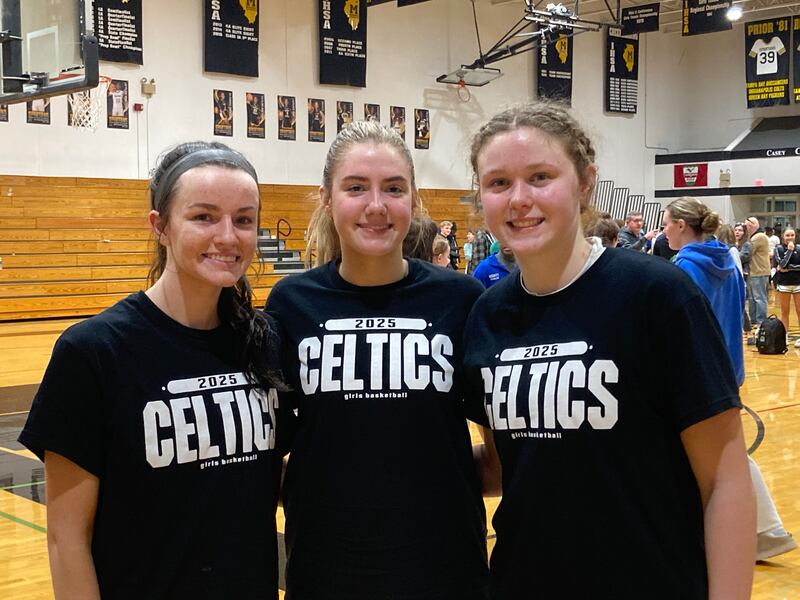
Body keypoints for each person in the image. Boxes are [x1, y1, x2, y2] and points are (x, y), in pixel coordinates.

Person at [463, 102, 755, 599]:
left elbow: (725, 480)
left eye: (540, 176)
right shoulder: (488, 314)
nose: (519, 199)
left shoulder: (658, 295)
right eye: (498, 183)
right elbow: (506, 465)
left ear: (584, 182)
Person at [18, 142, 287, 599]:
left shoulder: (264, 341)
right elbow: (67, 541)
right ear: (160, 226)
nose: (227, 235)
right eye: (203, 217)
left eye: (243, 219)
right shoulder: (94, 352)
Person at [265, 121, 490, 599]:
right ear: (327, 198)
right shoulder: (291, 302)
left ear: (413, 199)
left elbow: (499, 452)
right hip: (327, 565)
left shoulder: (462, 298)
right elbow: (272, 452)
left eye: (393, 188)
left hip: (444, 565)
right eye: (355, 188)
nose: (375, 205)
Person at [666, 199, 797, 562]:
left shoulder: (684, 268)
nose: (662, 231)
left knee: (720, 454)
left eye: (666, 224)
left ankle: (758, 531)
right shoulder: (728, 260)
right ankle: (761, 531)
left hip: (697, 371)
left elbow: (680, 328)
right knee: (723, 451)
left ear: (680, 225)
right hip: (728, 366)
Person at [774, 228, 800, 346]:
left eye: (792, 235)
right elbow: (782, 264)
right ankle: (784, 336)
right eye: (787, 235)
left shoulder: (799, 248)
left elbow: (787, 267)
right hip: (784, 284)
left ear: (795, 236)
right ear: (783, 237)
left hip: (798, 283)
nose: (790, 237)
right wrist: (789, 251)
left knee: (799, 311)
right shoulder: (778, 249)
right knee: (785, 311)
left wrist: (790, 268)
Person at [745, 216, 770, 327]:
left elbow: (747, 252)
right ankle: (754, 320)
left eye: (746, 226)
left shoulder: (758, 237)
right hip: (754, 271)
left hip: (759, 271)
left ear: (752, 225)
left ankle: (761, 321)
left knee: (759, 297)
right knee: (752, 298)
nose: (745, 228)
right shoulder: (754, 237)